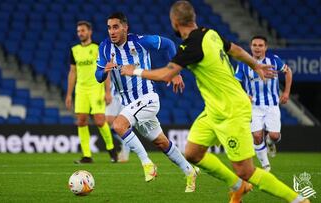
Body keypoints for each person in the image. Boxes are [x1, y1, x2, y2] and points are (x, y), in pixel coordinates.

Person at [121, 1, 309, 203]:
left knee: (246, 170)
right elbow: (235, 49)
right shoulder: (210, 33)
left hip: (231, 109)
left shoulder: (191, 45)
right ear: (193, 18)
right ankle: (239, 186)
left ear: (174, 22)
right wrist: (256, 65)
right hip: (214, 109)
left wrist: (136, 71)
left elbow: (167, 74)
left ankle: (298, 199)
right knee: (192, 153)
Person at [95, 12, 199, 192]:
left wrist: (175, 72)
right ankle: (189, 171)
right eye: (109, 27)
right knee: (161, 142)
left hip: (147, 98)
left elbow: (168, 44)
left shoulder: (140, 41)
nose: (111, 31)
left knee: (119, 125)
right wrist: (105, 71)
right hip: (130, 105)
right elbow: (98, 77)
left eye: (116, 27)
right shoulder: (104, 48)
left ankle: (147, 164)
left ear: (125, 28)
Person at [235, 36, 293, 171]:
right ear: (251, 47)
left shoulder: (273, 60)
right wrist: (244, 94)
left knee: (274, 135)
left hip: (272, 105)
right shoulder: (243, 64)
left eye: (260, 45)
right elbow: (235, 82)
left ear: (265, 48)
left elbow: (288, 71)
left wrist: (286, 93)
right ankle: (265, 165)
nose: (257, 48)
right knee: (256, 135)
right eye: (254, 45)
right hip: (253, 106)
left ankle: (270, 142)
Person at [65, 21, 117, 164]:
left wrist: (108, 91)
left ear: (90, 32)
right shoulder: (74, 49)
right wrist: (69, 94)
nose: (80, 33)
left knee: (100, 120)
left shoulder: (98, 48)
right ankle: (87, 155)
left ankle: (111, 149)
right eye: (78, 31)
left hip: (96, 88)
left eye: (83, 30)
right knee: (81, 120)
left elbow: (105, 70)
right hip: (81, 89)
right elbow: (72, 72)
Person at [104, 75, 130, 162]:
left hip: (123, 93)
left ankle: (125, 148)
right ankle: (126, 144)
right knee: (108, 122)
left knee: (119, 123)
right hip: (114, 92)